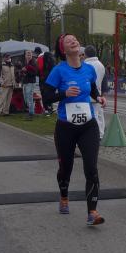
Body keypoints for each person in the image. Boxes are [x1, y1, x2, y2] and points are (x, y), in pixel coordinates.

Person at [42, 34, 107, 226]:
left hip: (88, 125)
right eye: (68, 40)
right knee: (66, 168)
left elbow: (92, 89)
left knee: (91, 168)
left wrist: (99, 97)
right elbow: (46, 97)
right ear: (63, 49)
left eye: (75, 39)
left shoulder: (89, 69)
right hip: (66, 126)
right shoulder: (58, 70)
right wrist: (64, 93)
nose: (74, 41)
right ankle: (64, 196)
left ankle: (92, 212)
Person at [83, 45, 106, 137]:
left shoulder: (85, 65)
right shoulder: (101, 65)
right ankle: (101, 133)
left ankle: (95, 134)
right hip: (98, 92)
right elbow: (103, 80)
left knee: (93, 115)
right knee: (100, 114)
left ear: (85, 54)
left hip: (89, 93)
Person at [21, 50, 39, 121]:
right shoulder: (25, 62)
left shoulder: (34, 62)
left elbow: (35, 72)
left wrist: (27, 70)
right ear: (25, 56)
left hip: (31, 82)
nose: (28, 56)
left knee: (29, 97)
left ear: (31, 55)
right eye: (27, 55)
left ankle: (31, 113)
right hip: (25, 81)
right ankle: (29, 110)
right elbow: (24, 71)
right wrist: (23, 71)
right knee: (25, 97)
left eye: (30, 55)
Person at [38, 49, 56, 115]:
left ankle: (46, 109)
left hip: (43, 79)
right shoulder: (52, 59)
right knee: (50, 93)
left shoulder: (40, 57)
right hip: (51, 79)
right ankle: (51, 107)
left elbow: (39, 69)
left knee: (44, 94)